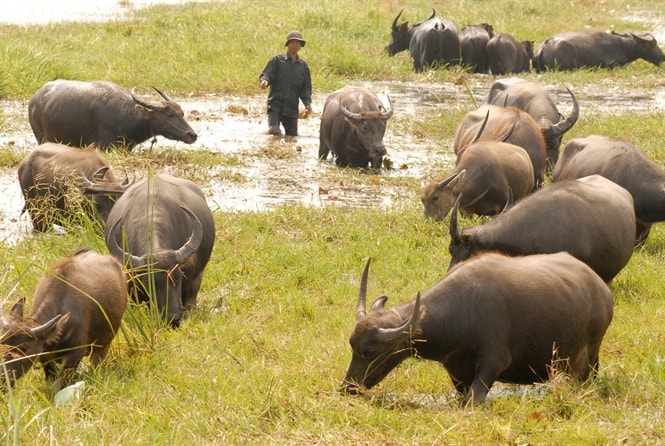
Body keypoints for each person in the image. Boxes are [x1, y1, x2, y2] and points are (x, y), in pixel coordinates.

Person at [259, 30, 312, 136]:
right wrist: (264, 81)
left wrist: (307, 103)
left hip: (291, 108)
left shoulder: (303, 67)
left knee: (292, 136)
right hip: (275, 105)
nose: (295, 45)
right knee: (275, 131)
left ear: (301, 45)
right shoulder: (277, 61)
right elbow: (267, 74)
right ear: (288, 44)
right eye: (292, 42)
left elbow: (305, 88)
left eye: (298, 42)